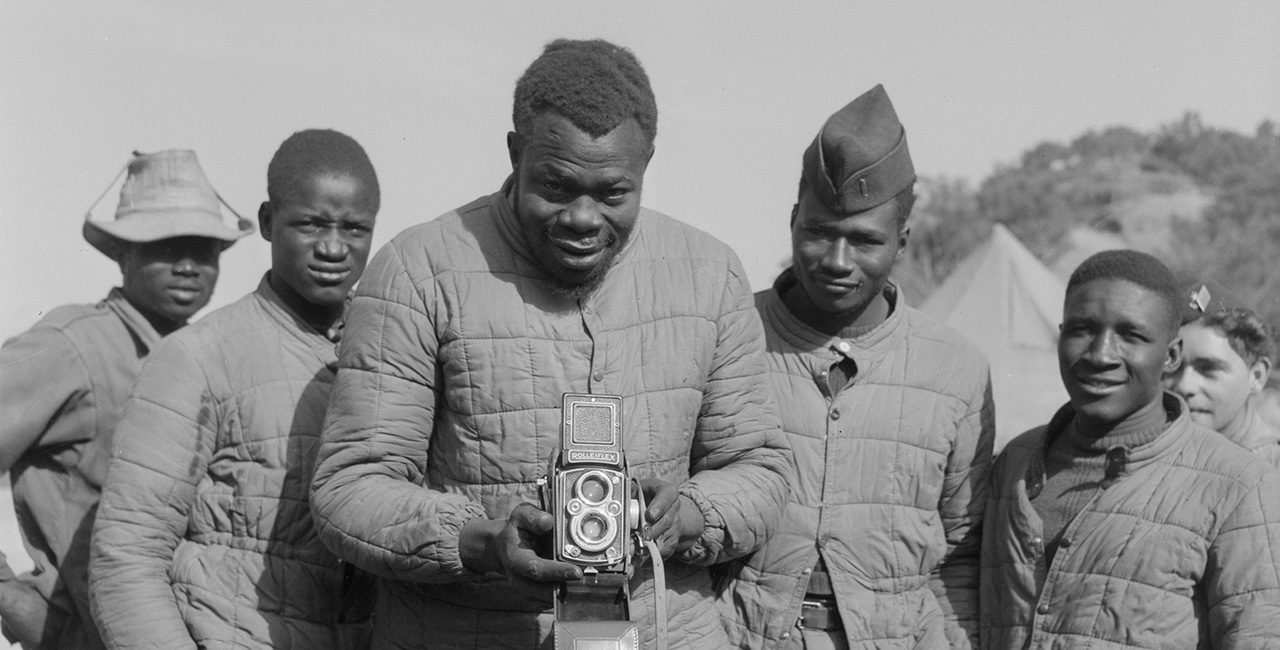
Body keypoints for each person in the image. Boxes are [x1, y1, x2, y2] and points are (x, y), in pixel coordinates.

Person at [310, 39, 790, 649]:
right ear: (515, 151)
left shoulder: (709, 275)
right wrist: (482, 543)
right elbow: (349, 486)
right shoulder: (418, 271)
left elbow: (760, 468)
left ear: (646, 165)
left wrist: (685, 516)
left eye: (613, 193)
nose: (584, 217)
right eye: (557, 187)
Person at [716, 85, 995, 649]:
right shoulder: (726, 334)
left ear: (901, 243)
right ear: (794, 220)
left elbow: (962, 554)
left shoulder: (956, 369)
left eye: (865, 241)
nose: (838, 261)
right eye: (819, 232)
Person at [87, 130, 380, 649]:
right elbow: (127, 558)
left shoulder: (392, 351)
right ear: (268, 222)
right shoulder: (199, 357)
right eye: (310, 224)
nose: (334, 247)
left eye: (355, 229)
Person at [0, 149, 250, 649]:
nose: (187, 266)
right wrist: (9, 599)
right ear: (121, 253)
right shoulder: (72, 346)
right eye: (164, 246)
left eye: (203, 249)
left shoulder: (198, 358)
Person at [980, 250, 1280, 648]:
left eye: (1131, 336)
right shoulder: (1016, 462)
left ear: (1170, 355)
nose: (1101, 355)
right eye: (1081, 329)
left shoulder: (1241, 485)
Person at [1166, 279, 1280, 467]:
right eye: (1173, 365)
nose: (1184, 386)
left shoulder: (1271, 468)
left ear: (1257, 376)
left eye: (1208, 369)